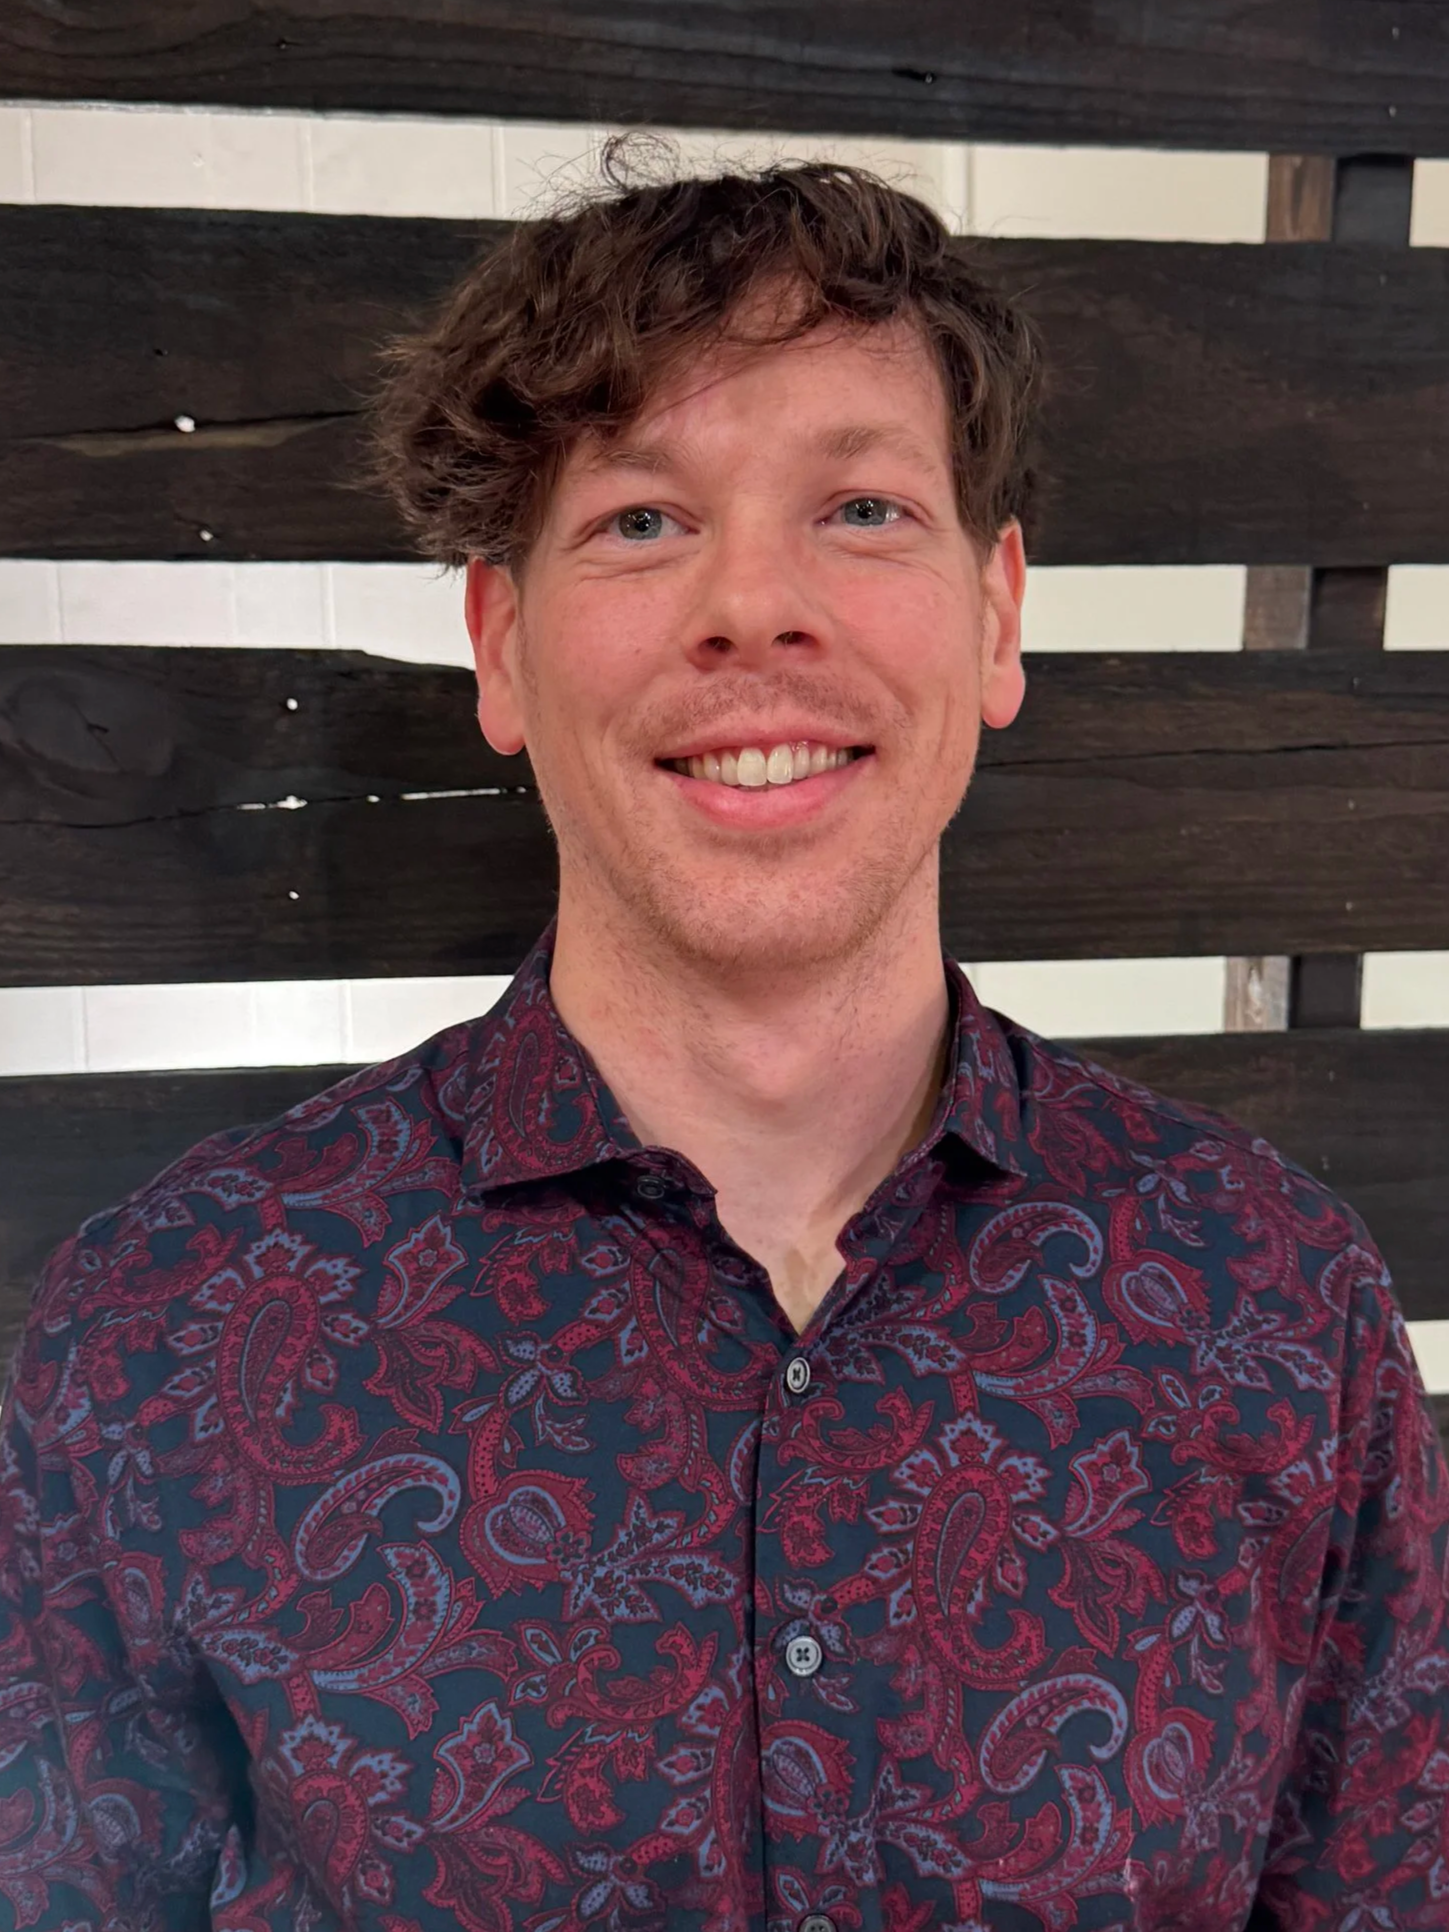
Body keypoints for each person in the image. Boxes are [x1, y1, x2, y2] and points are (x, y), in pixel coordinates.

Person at [0, 137, 1445, 1932]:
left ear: (998, 613)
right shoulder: (165, 1336)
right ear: (502, 646)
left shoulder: (1277, 1308)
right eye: (643, 520)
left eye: (860, 509)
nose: (754, 607)